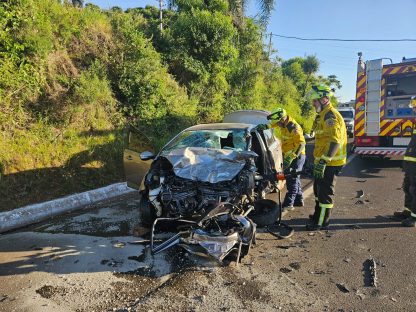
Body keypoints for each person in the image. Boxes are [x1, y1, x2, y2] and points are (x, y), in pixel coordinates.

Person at [306, 85, 347, 230]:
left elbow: (335, 141)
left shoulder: (331, 115)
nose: (313, 104)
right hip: (323, 161)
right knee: (318, 191)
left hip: (331, 162)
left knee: (325, 193)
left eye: (315, 101)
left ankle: (321, 222)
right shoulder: (322, 115)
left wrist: (324, 161)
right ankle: (317, 215)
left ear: (324, 99)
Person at [267, 108, 306, 211]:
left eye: (278, 123)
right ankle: (299, 199)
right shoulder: (282, 123)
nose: (278, 125)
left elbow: (301, 144)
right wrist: (264, 126)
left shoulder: (293, 127)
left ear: (282, 119)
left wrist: (292, 156)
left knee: (291, 178)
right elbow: (271, 126)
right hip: (288, 155)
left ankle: (289, 204)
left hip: (297, 156)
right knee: (294, 177)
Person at [394, 96, 416, 227]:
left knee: (415, 189)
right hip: (411, 164)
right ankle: (408, 212)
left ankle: (413, 218)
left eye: (415, 107)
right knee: (407, 187)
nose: (413, 109)